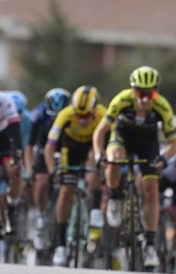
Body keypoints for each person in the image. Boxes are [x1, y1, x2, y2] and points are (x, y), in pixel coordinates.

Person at [93, 66, 176, 270]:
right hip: (123, 137)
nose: (145, 99)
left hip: (148, 144)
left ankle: (150, 243)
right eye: (140, 93)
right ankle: (114, 196)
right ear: (133, 90)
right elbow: (100, 132)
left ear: (156, 92)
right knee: (114, 159)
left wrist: (164, 159)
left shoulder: (162, 106)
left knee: (151, 189)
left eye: (150, 94)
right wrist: (98, 154)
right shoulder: (121, 100)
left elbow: (173, 142)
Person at [45, 85, 105, 266]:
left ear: (94, 110)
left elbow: (108, 144)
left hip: (92, 146)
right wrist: (52, 170)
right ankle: (61, 246)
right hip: (70, 147)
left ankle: (94, 208)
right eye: (78, 115)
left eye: (86, 116)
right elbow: (49, 147)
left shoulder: (102, 114)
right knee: (66, 191)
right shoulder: (65, 115)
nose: (82, 120)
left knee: (95, 162)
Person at [24, 87, 71, 250]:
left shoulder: (72, 115)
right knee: (41, 180)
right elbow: (29, 146)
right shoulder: (38, 115)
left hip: (65, 149)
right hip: (44, 150)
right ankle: (41, 214)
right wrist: (29, 168)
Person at [0, 68, 23, 233]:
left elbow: (15, 127)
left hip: (3, 138)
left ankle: (12, 203)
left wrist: (16, 153)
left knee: (15, 169)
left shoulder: (4, 100)